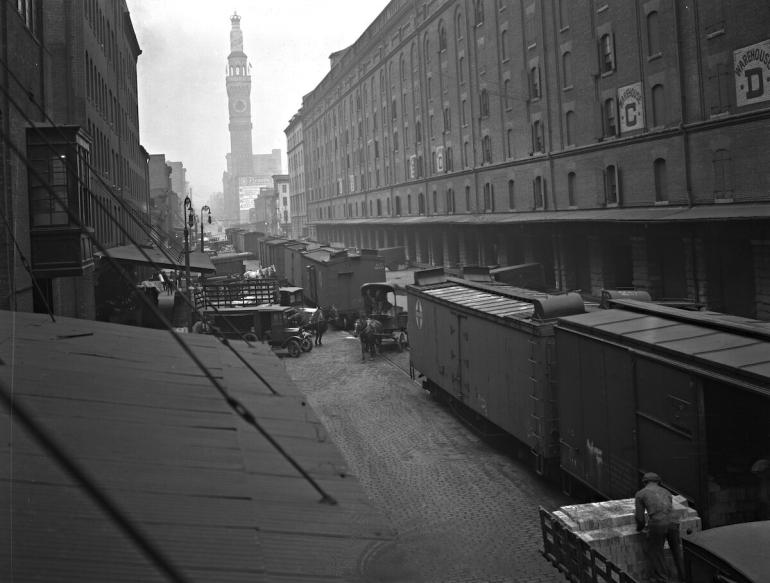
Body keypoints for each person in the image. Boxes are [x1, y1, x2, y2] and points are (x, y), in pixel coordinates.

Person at [634, 472, 685, 583]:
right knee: (676, 550)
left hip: (658, 523)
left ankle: (663, 579)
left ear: (644, 482)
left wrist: (640, 528)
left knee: (656, 552)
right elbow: (668, 510)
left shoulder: (640, 494)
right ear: (658, 482)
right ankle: (684, 578)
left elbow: (640, 518)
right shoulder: (666, 492)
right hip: (674, 522)